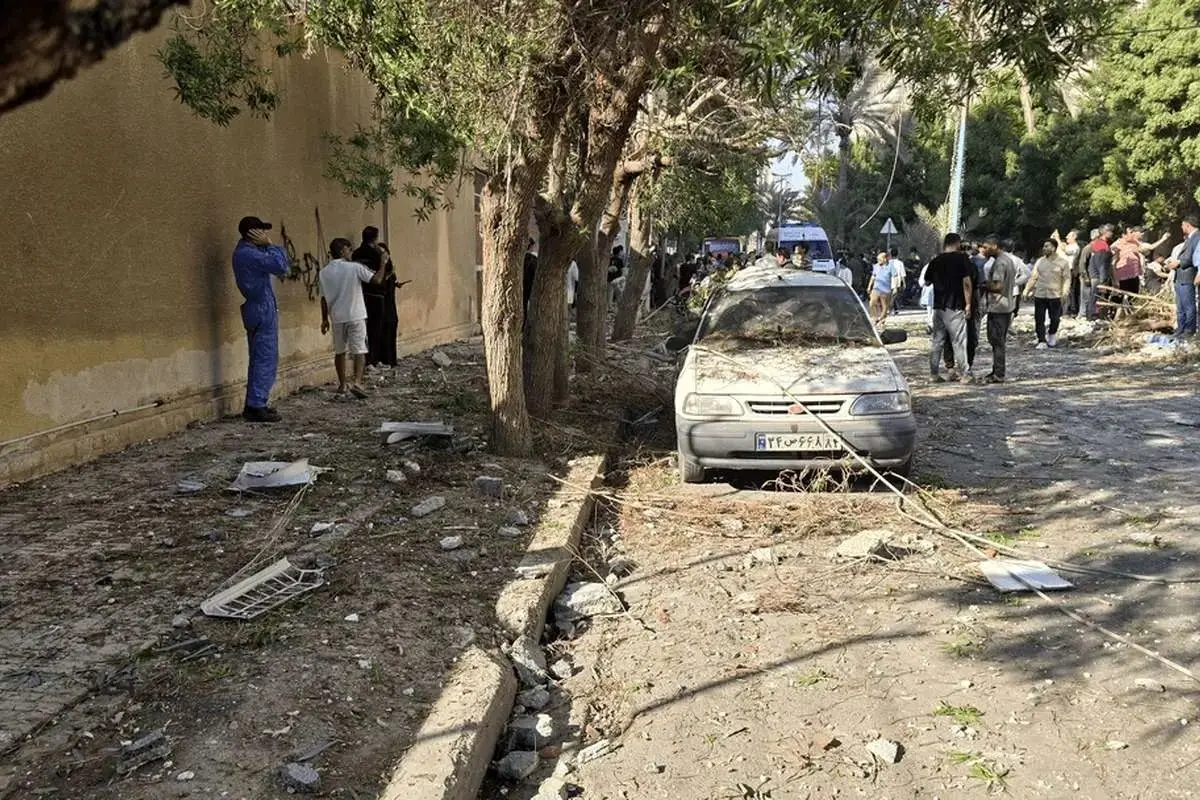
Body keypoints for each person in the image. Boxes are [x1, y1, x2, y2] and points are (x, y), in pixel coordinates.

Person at [232, 215, 290, 423]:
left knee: (262, 357)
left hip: (260, 306)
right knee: (264, 358)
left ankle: (258, 402)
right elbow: (281, 266)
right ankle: (255, 405)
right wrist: (271, 245)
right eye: (262, 231)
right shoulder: (248, 254)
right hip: (260, 308)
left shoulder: (247, 252)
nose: (266, 234)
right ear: (253, 233)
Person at [319, 238, 388, 397]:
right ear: (343, 250)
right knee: (359, 350)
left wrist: (324, 319)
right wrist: (383, 262)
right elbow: (377, 280)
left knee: (340, 352)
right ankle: (357, 382)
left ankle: (342, 385)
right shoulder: (354, 267)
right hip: (356, 315)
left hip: (336, 317)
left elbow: (323, 299)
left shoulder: (323, 273)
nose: (351, 252)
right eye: (349, 249)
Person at [925, 233, 974, 382]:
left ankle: (933, 374)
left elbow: (927, 282)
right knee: (958, 341)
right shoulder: (962, 259)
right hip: (955, 306)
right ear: (957, 243)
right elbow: (967, 283)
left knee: (937, 341)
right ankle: (965, 374)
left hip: (938, 306)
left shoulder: (936, 260)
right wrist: (968, 304)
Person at [981, 235, 1017, 383]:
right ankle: (996, 370)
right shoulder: (1007, 260)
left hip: (999, 307)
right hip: (1005, 306)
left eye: (986, 247)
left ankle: (999, 373)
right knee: (997, 340)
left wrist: (983, 285)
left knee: (997, 341)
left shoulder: (1000, 263)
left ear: (994, 246)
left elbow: (998, 286)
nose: (983, 250)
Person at [1025, 240, 1071, 348]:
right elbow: (1034, 277)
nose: (1044, 248)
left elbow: (1067, 279)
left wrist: (1065, 292)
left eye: (1047, 246)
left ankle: (1052, 334)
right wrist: (1026, 289)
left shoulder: (1063, 263)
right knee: (1039, 318)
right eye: (1044, 246)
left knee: (1055, 318)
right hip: (1040, 294)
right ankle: (1041, 340)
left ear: (1053, 248)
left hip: (1055, 294)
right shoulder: (1040, 261)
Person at [353, 226, 388, 366]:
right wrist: (383, 259)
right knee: (375, 329)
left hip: (361, 294)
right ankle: (372, 360)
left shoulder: (355, 254)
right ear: (375, 238)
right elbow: (387, 270)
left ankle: (365, 360)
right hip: (376, 294)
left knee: (363, 330)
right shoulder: (377, 253)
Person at [1166, 215, 1200, 337]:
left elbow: (1194, 257)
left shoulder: (1197, 237)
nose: (1181, 227)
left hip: (1188, 275)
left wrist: (1179, 262)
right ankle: (1180, 329)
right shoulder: (1190, 238)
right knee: (1180, 307)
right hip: (1180, 276)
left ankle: (1189, 330)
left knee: (1188, 306)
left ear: (1187, 225)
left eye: (1182, 225)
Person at [1084, 224, 1114, 319]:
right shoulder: (1102, 244)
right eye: (1110, 231)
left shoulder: (1099, 243)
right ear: (1104, 232)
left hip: (1096, 274)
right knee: (1096, 295)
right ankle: (1093, 315)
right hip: (1098, 275)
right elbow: (1101, 263)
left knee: (1096, 295)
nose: (1112, 233)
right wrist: (1103, 279)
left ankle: (1094, 315)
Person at [870, 252, 894, 327]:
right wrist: (869, 286)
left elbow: (894, 277)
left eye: (879, 259)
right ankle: (875, 318)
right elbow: (873, 276)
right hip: (876, 287)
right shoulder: (876, 266)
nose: (878, 261)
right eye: (877, 259)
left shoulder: (890, 267)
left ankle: (882, 319)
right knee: (872, 303)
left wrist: (895, 287)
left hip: (886, 289)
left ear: (884, 259)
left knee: (884, 306)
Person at [522, 238, 538, 318]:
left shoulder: (519, 258)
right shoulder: (533, 259)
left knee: (523, 305)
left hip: (521, 285)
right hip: (530, 286)